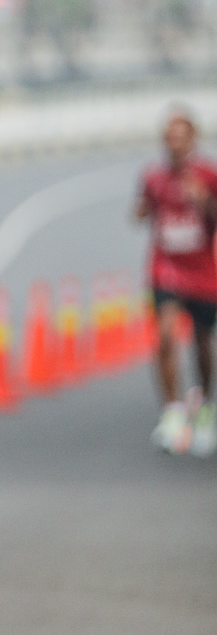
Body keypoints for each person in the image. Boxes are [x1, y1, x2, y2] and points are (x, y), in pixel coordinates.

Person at [135, 108, 217, 455]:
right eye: (170, 138)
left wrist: (205, 201)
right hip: (166, 269)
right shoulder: (153, 178)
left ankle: (205, 406)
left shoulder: (208, 175)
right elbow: (141, 211)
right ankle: (171, 411)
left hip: (202, 271)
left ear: (192, 139)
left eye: (181, 137)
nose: (175, 144)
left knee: (202, 343)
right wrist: (141, 210)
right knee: (166, 334)